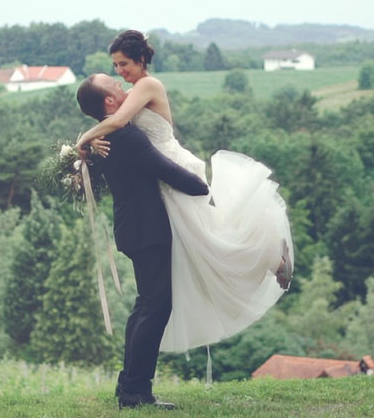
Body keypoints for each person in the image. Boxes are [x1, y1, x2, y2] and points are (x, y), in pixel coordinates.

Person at [76, 30, 294, 356]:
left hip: (171, 165)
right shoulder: (130, 94)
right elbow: (115, 121)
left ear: (140, 60)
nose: (120, 72)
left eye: (123, 64)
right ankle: (266, 256)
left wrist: (83, 139)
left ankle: (269, 254)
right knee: (198, 242)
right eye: (115, 67)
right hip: (158, 177)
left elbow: (118, 120)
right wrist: (93, 139)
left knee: (206, 237)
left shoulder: (148, 85)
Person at [76, 73, 210, 410]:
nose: (122, 86)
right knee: (155, 307)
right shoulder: (124, 135)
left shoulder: (104, 138)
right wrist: (202, 188)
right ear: (109, 101)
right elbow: (165, 170)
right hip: (147, 230)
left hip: (133, 228)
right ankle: (136, 392)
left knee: (145, 306)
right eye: (115, 85)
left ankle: (130, 387)